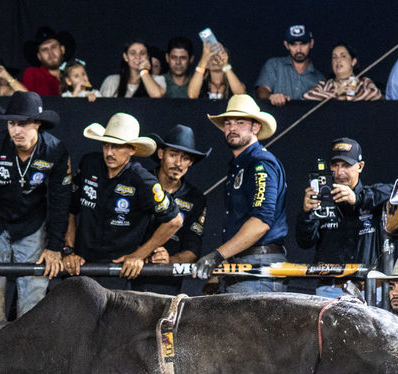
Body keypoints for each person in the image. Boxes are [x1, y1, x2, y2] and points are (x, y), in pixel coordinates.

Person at [0, 91, 71, 321]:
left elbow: (60, 200)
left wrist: (55, 246)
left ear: (38, 123)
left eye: (23, 124)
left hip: (32, 225)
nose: (16, 130)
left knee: (34, 290)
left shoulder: (55, 150)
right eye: (12, 123)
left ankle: (30, 344)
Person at [63, 113, 182, 289]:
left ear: (132, 150)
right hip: (80, 264)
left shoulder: (143, 180)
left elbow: (175, 221)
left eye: (117, 147)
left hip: (117, 270)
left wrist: (139, 254)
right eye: (106, 145)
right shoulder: (89, 164)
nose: (109, 152)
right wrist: (69, 250)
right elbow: (71, 208)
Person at [195, 94, 287, 293]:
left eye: (240, 122)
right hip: (243, 263)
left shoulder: (261, 163)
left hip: (259, 264)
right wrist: (219, 269)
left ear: (256, 127)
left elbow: (261, 222)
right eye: (228, 123)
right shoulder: (240, 165)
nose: (232, 128)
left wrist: (217, 256)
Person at [295, 137, 391, 295]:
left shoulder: (373, 196)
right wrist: (306, 214)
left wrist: (358, 199)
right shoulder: (321, 197)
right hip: (330, 289)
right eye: (335, 165)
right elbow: (304, 242)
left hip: (369, 289)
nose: (340, 172)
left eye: (346, 165)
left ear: (360, 166)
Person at [143, 124, 210, 294]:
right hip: (125, 274)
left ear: (191, 162)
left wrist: (168, 260)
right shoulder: (140, 182)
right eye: (173, 155)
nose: (178, 163)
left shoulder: (195, 198)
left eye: (185, 158)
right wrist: (139, 253)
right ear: (161, 154)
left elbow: (193, 250)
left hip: (166, 283)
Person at [255, 25, 324, 106]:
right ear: (286, 45)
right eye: (293, 44)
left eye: (303, 44)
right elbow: (261, 91)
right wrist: (270, 97)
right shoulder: (274, 65)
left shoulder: (320, 79)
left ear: (311, 43)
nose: (298, 49)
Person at [302, 43, 381, 101]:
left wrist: (348, 98)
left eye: (343, 56)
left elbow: (376, 95)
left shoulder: (364, 82)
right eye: (334, 57)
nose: (338, 60)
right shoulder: (325, 85)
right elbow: (307, 96)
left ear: (353, 61)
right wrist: (336, 93)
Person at [99, 40, 165, 98]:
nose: (138, 57)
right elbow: (102, 104)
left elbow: (156, 95)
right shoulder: (112, 81)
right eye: (133, 53)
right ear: (125, 57)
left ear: (147, 57)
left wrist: (144, 71)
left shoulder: (157, 79)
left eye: (142, 53)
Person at [20, 26, 73, 97]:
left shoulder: (74, 72)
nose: (50, 53)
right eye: (44, 49)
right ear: (39, 56)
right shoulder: (32, 74)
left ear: (62, 49)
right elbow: (26, 99)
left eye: (53, 47)